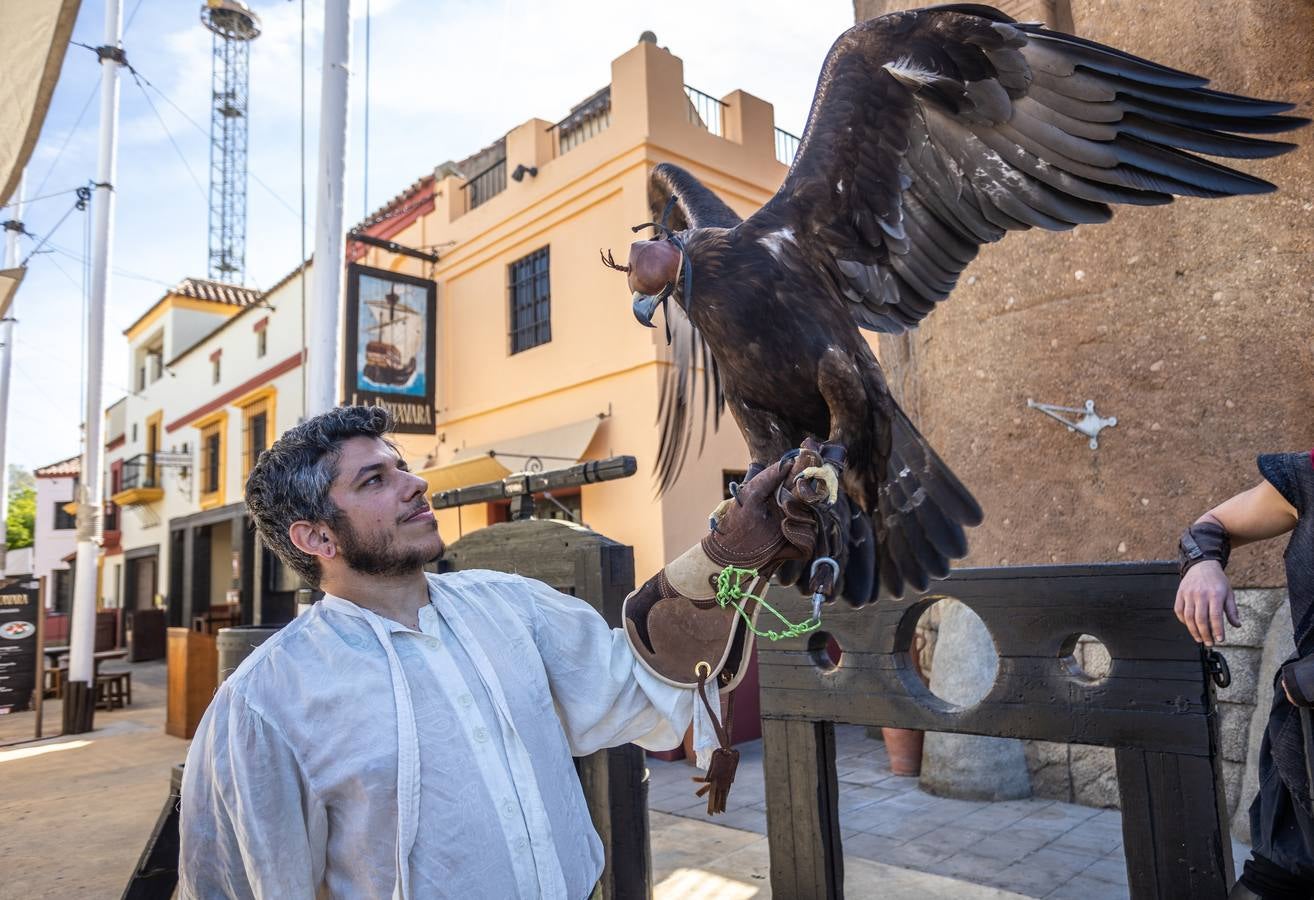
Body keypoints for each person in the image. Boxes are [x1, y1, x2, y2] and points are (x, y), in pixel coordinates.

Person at [178, 405, 834, 899]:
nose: (415, 484)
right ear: (317, 536)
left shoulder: (508, 606)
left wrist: (728, 553)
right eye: (376, 480)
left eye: (402, 466)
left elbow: (629, 680)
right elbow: (240, 880)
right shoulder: (265, 701)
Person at [1175, 450, 1314, 899]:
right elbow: (1210, 528)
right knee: (1275, 877)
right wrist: (1202, 565)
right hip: (1306, 746)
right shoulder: (1310, 476)